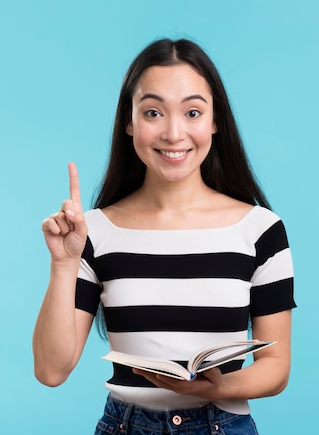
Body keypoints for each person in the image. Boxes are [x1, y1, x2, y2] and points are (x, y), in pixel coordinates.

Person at [33, 38, 296, 435]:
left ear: (215, 121)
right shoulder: (94, 232)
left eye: (192, 112)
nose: (174, 133)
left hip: (221, 424)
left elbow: (276, 369)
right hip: (125, 425)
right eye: (153, 112)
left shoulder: (260, 230)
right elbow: (51, 370)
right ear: (129, 121)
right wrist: (64, 263)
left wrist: (221, 385)